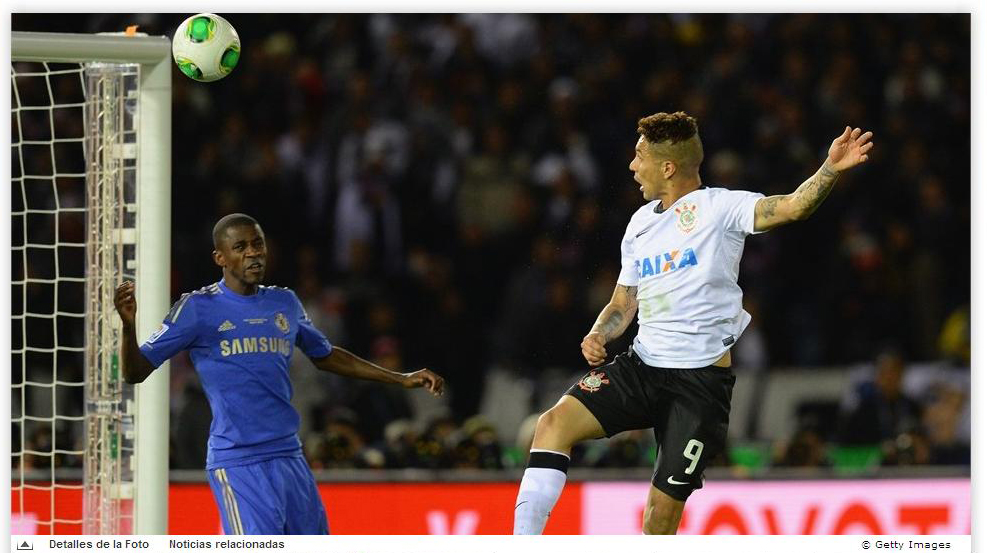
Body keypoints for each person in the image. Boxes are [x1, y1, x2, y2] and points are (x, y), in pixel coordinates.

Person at [512, 112, 873, 535]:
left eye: (639, 156)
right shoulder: (640, 224)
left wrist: (829, 169)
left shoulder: (721, 207)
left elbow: (791, 207)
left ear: (667, 167)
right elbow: (624, 301)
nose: (632, 166)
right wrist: (599, 332)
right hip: (642, 367)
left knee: (659, 519)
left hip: (698, 386)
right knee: (552, 424)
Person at [113, 213, 444, 535]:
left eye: (258, 244)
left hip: (290, 456)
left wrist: (399, 377)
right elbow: (135, 372)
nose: (253, 253)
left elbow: (326, 356)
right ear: (220, 257)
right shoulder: (198, 308)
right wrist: (129, 328)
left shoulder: (284, 302)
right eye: (240, 247)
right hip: (239, 462)